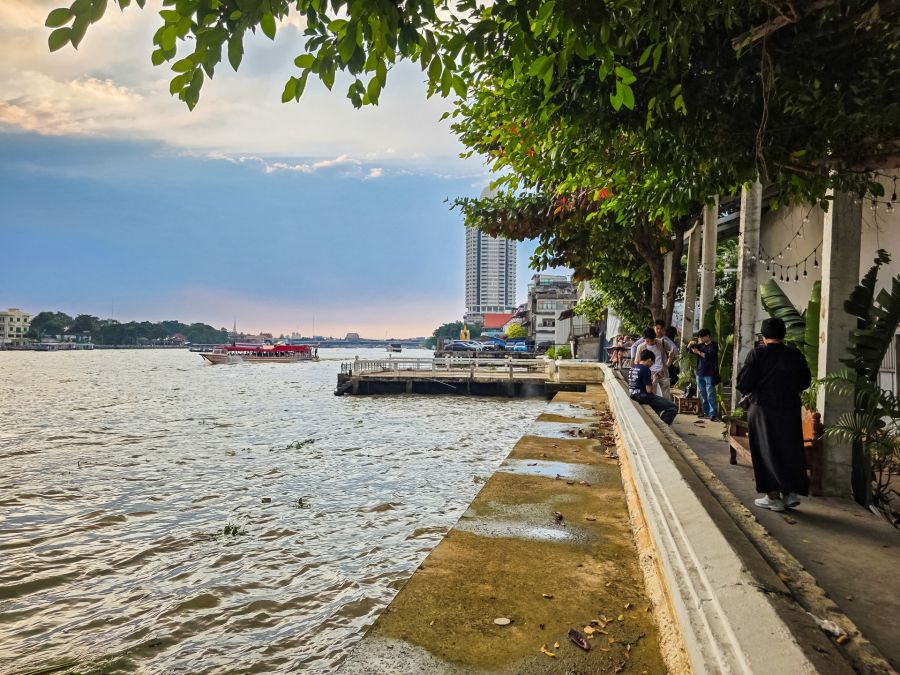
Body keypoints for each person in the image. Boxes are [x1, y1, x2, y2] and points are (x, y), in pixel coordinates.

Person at [736, 317, 812, 512]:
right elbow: (805, 381)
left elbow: (744, 383)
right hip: (789, 408)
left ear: (763, 336)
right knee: (790, 448)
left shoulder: (757, 354)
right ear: (783, 334)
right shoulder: (795, 354)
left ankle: (773, 497)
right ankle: (790, 493)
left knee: (765, 449)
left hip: (763, 408)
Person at [629, 349, 678, 424]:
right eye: (652, 362)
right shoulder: (645, 369)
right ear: (649, 360)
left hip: (633, 394)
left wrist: (652, 379)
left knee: (657, 406)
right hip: (643, 396)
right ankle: (662, 426)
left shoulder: (633, 368)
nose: (651, 365)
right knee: (673, 407)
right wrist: (654, 380)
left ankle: (657, 423)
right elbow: (649, 390)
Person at [630, 324, 675, 399]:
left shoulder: (662, 343)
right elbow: (637, 362)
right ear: (644, 339)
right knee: (652, 396)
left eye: (652, 340)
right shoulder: (641, 347)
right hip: (649, 374)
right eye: (647, 341)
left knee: (666, 396)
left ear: (655, 338)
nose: (650, 343)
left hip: (663, 373)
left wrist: (669, 360)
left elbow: (673, 350)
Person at [688, 328, 719, 420]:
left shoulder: (713, 345)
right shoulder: (700, 345)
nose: (701, 339)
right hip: (699, 373)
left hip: (710, 373)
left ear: (707, 336)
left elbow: (709, 357)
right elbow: (690, 350)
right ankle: (705, 412)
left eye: (702, 337)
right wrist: (690, 345)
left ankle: (713, 413)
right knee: (703, 394)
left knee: (710, 394)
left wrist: (698, 352)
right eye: (700, 338)